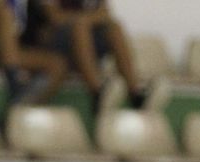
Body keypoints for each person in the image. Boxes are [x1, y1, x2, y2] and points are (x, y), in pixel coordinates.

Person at [27, 0, 167, 111]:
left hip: (84, 37)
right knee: (80, 27)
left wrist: (86, 20)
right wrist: (85, 20)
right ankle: (97, 92)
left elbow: (105, 13)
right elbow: (55, 17)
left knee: (114, 27)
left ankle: (135, 93)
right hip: (52, 44)